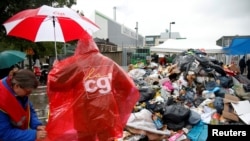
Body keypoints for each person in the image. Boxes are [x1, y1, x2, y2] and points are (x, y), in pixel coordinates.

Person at [45, 34, 140, 140]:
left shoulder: (76, 64)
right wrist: (117, 102)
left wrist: (57, 68)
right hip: (106, 114)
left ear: (79, 47)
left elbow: (55, 85)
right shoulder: (108, 62)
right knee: (107, 138)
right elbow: (128, 86)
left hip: (84, 115)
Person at [0, 69, 47, 141]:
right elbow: (4, 133)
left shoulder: (19, 93)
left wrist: (37, 125)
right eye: (27, 92)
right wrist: (34, 135)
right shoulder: (2, 101)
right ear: (17, 86)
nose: (28, 95)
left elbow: (29, 109)